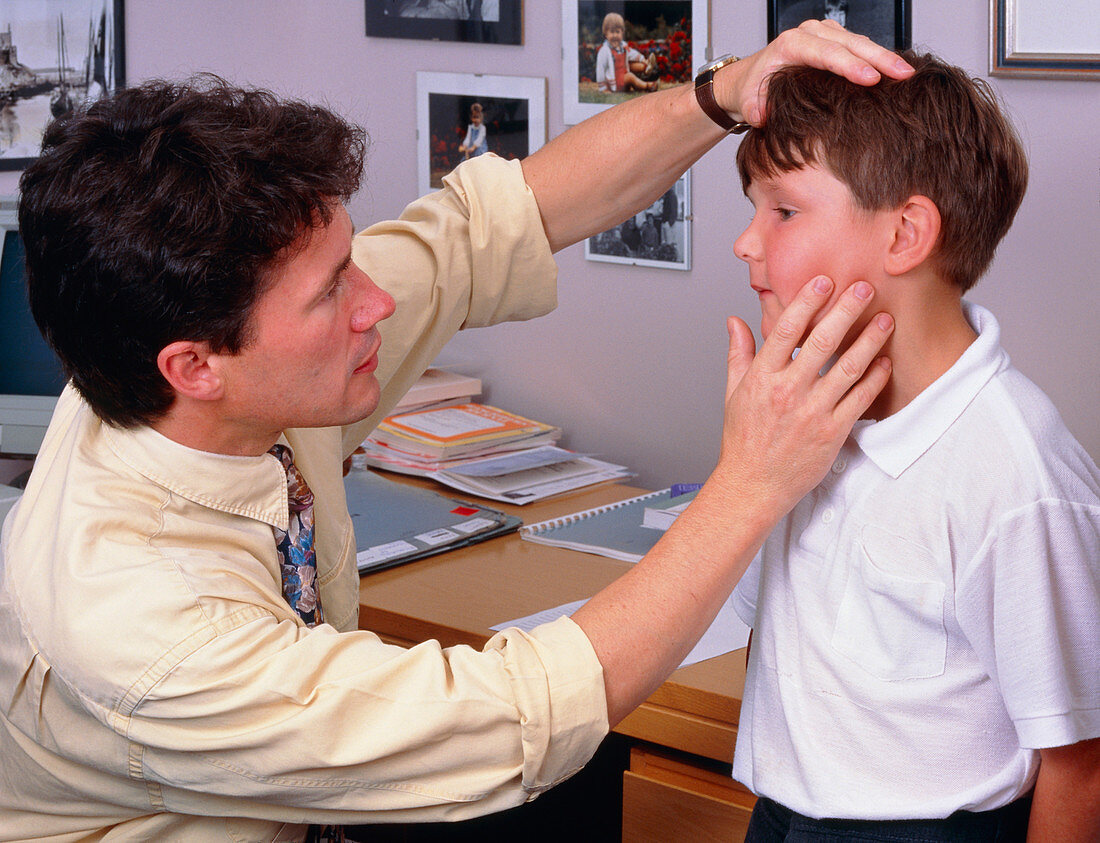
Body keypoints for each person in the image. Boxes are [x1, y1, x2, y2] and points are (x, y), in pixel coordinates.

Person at [0, 22, 911, 842]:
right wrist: (750, 481)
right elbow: (518, 719)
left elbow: (486, 230)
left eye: (350, 260)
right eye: (332, 294)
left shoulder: (189, 368)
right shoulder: (146, 624)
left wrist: (725, 91)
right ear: (194, 366)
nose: (379, 304)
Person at [727, 52, 1100, 841]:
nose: (745, 243)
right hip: (788, 813)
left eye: (782, 211)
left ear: (906, 234)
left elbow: (1081, 761)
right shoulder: (797, 417)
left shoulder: (1016, 472)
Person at [594, 12, 657, 94]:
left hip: (623, 76)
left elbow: (632, 54)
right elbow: (600, 70)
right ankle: (648, 86)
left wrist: (642, 59)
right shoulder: (604, 51)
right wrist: (603, 88)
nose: (615, 35)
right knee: (630, 77)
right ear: (606, 34)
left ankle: (645, 66)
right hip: (615, 83)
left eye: (617, 32)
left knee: (632, 64)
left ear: (622, 33)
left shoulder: (623, 46)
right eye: (612, 32)